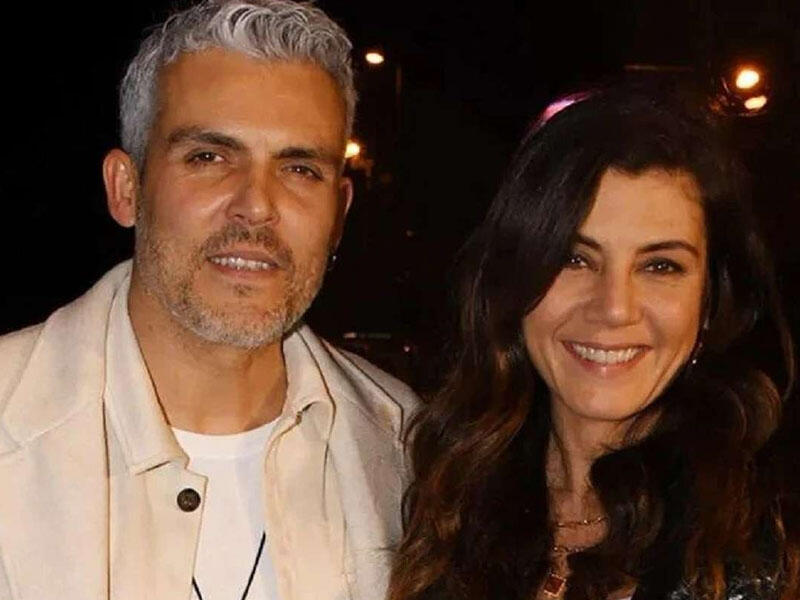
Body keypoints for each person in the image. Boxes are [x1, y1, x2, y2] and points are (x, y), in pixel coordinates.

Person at [0, 1, 418, 599]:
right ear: (126, 188)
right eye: (209, 157)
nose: (257, 205)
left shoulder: (407, 449)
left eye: (300, 169)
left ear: (339, 214)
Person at [388, 84, 798, 600]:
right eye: (574, 258)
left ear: (710, 302)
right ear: (515, 279)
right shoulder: (449, 495)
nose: (614, 307)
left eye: (660, 266)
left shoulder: (767, 542)